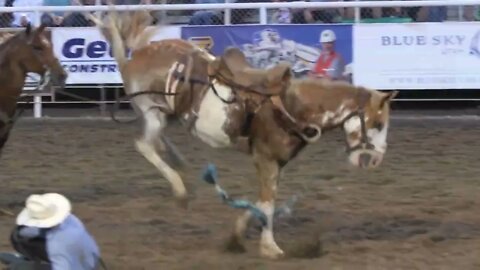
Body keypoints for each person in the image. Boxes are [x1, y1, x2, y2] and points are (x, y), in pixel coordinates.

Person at [0, 193, 103, 270]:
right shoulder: (72, 220)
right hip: (90, 262)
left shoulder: (56, 245)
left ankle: (28, 261)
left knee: (18, 266)